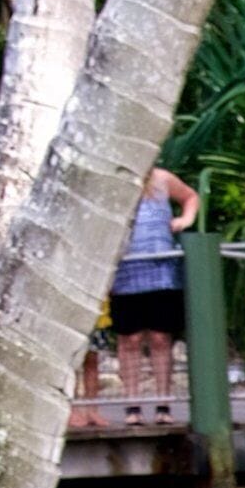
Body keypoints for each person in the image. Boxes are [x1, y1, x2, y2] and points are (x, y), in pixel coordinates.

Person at [84, 166, 202, 422]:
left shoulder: (161, 178)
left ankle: (163, 406)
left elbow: (190, 197)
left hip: (162, 273)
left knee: (161, 338)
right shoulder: (111, 180)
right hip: (125, 274)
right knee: (130, 340)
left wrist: (185, 219)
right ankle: (132, 407)